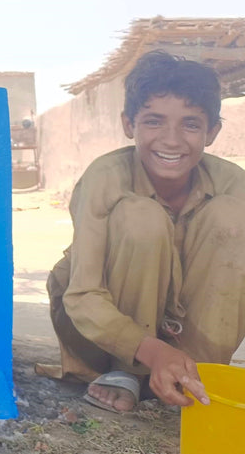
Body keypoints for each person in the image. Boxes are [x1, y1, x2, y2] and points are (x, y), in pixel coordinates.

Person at [46, 50, 245, 412]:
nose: (171, 140)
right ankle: (126, 373)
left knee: (232, 217)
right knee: (142, 218)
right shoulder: (105, 178)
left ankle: (194, 374)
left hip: (182, 331)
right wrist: (151, 350)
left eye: (190, 124)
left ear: (212, 132)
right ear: (128, 124)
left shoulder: (234, 185)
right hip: (103, 340)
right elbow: (82, 295)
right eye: (154, 121)